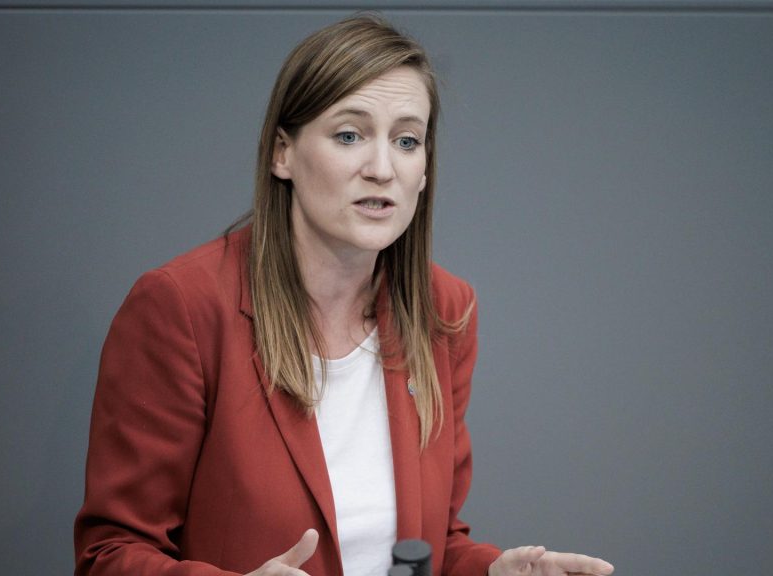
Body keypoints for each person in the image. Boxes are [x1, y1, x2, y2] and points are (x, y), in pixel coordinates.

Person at [74, 14, 615, 576]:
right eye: (350, 135)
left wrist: (491, 572)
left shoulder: (444, 311)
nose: (381, 169)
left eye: (406, 141)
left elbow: (430, 543)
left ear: (424, 169)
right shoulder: (182, 308)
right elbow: (109, 555)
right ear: (283, 153)